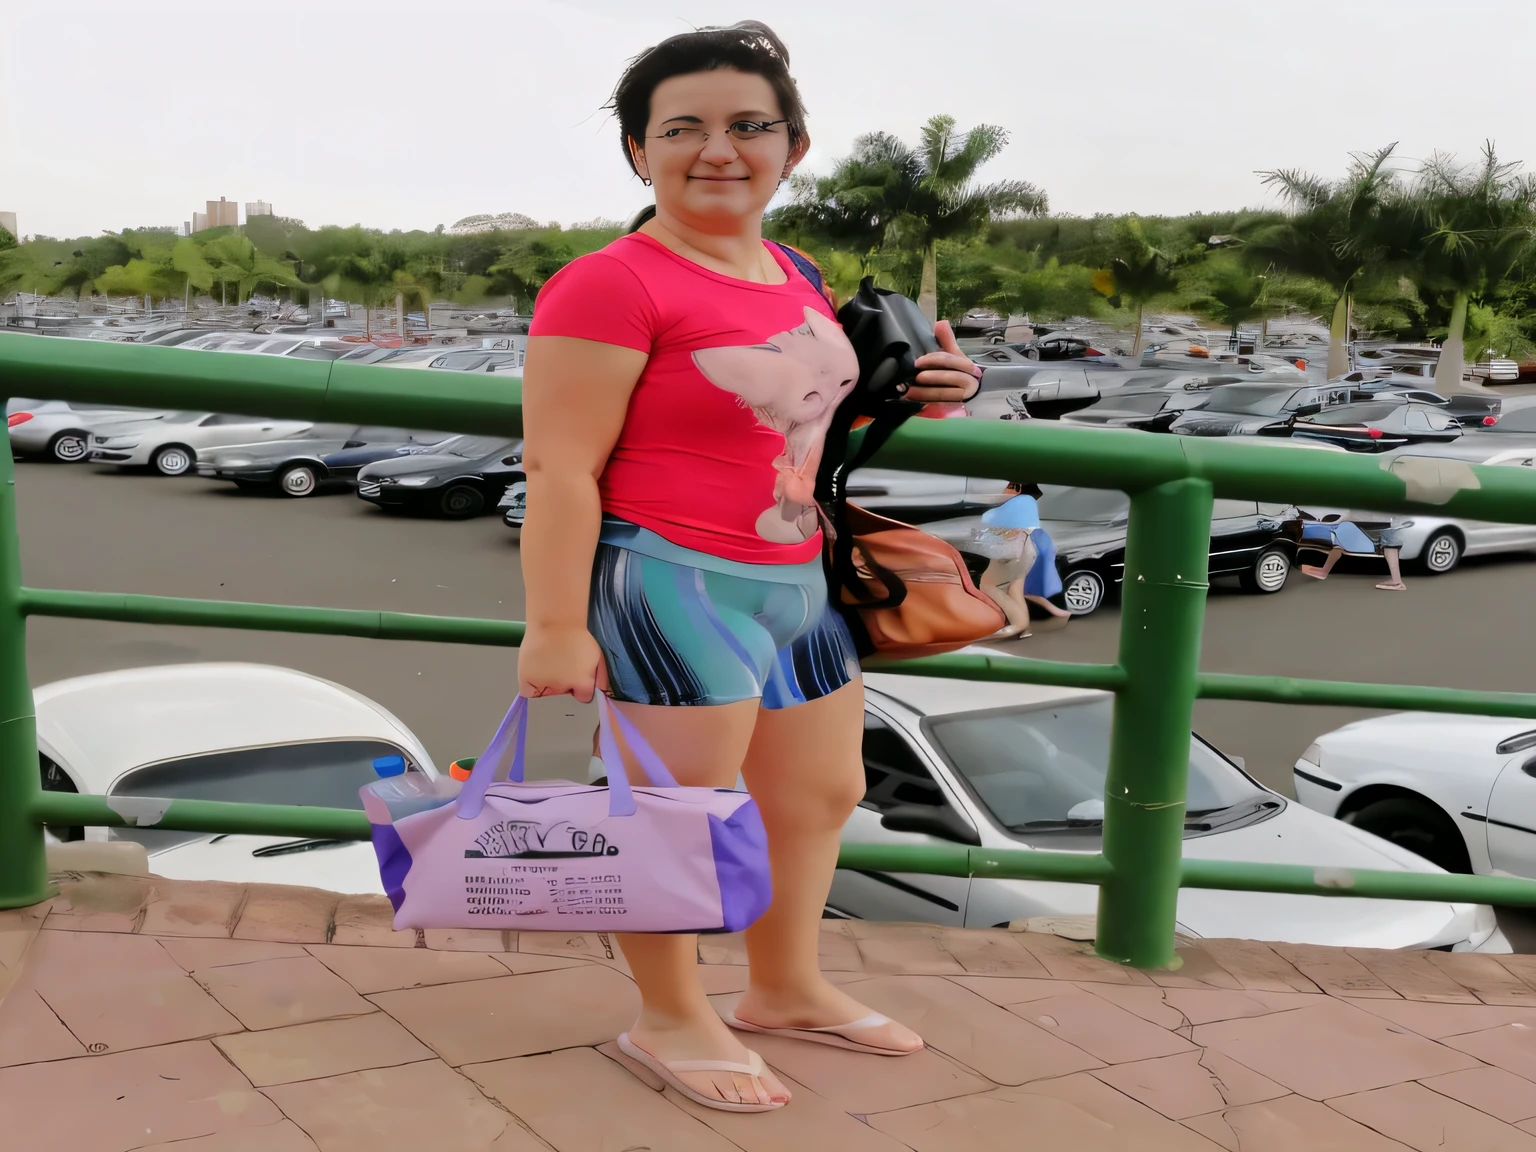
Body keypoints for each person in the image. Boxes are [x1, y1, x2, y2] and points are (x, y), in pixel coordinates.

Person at [515, 22, 983, 1114]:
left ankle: (784, 986)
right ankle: (669, 1015)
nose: (715, 148)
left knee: (820, 793)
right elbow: (560, 465)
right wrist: (554, 623)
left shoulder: (793, 272)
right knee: (677, 810)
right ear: (640, 153)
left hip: (795, 576)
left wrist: (922, 389)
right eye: (681, 128)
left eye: (746, 126)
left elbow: (800, 411)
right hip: (671, 581)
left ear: (794, 145)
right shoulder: (607, 284)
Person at [977, 482, 1070, 638]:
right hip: (1027, 551)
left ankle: (1018, 625)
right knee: (1015, 591)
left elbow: (1000, 531)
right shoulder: (1029, 505)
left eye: (1009, 485)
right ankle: (1025, 629)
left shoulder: (1013, 505)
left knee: (987, 585)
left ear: (1018, 488)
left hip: (1009, 552)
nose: (1004, 488)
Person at [1297, 513, 1408, 591]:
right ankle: (1324, 571)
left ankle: (1397, 582)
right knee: (1342, 537)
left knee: (1389, 543)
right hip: (1385, 518)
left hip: (1386, 519)